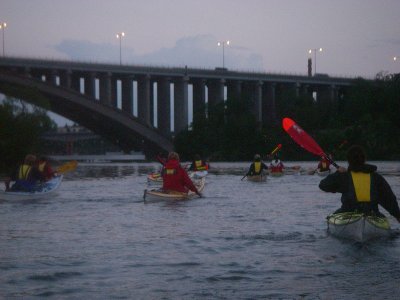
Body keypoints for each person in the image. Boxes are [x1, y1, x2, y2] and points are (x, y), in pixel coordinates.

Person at [319, 145, 400, 222]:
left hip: (348, 213)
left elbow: (323, 185)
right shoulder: (376, 177)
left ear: (348, 160)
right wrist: (398, 216)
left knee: (331, 217)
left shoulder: (344, 177)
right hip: (372, 214)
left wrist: (338, 173)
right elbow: (389, 200)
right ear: (364, 159)